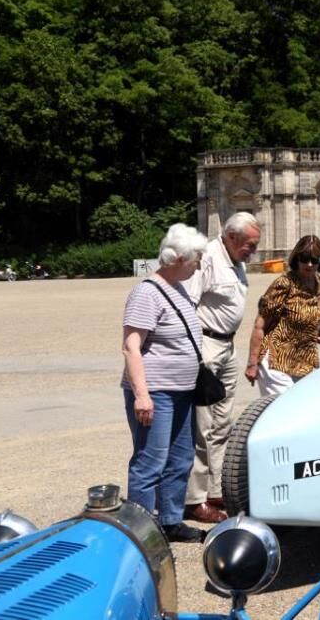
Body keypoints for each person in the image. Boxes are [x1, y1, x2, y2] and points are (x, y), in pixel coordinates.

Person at [120, 223, 209, 543]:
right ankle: (141, 531)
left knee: (181, 458)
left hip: (182, 390)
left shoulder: (179, 288)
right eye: (196, 258)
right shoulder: (146, 292)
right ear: (178, 258)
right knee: (150, 462)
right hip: (155, 391)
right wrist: (142, 396)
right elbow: (131, 346)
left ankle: (170, 521)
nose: (199, 263)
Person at [182, 212, 261, 524]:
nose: (253, 251)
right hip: (207, 346)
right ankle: (195, 499)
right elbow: (188, 304)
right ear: (231, 237)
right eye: (250, 245)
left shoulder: (236, 261)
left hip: (227, 346)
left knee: (223, 424)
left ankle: (216, 490)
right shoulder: (209, 259)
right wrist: (197, 356)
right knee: (202, 425)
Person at [246, 235, 320, 396]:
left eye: (315, 259)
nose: (310, 264)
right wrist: (252, 363)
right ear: (296, 258)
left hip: (305, 361)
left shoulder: (319, 284)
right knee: (282, 412)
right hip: (277, 360)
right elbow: (260, 324)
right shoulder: (284, 284)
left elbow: (311, 316)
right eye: (305, 259)